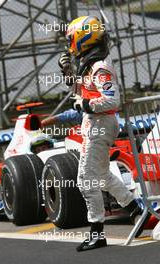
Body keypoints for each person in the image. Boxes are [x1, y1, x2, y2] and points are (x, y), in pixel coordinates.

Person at [58, 16, 150, 251]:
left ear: (83, 38)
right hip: (95, 124)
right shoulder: (92, 64)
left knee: (85, 180)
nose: (70, 44)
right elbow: (81, 90)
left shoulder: (100, 67)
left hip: (100, 125)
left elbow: (111, 99)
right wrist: (67, 71)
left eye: (72, 39)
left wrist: (85, 106)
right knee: (99, 176)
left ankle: (97, 233)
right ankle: (135, 210)